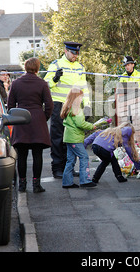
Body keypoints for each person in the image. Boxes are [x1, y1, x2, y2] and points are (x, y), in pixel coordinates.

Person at [44, 41, 91, 178]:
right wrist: (54, 78)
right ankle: (57, 168)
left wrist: (87, 105)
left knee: (71, 137)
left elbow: (84, 88)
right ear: (65, 51)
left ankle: (68, 168)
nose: (75, 56)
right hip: (58, 105)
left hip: (74, 106)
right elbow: (46, 85)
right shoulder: (56, 65)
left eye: (77, 53)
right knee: (58, 137)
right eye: (73, 53)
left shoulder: (80, 67)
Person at [8, 57, 54, 193]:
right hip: (37, 121)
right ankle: (36, 184)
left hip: (21, 121)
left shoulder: (16, 83)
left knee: (21, 155)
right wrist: (43, 117)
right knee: (37, 154)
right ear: (38, 68)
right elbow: (49, 105)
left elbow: (10, 105)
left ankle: (22, 184)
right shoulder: (42, 84)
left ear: (25, 67)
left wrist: (15, 118)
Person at [60, 87, 97, 188]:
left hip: (69, 138)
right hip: (75, 139)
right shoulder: (77, 109)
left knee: (70, 160)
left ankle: (67, 182)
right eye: (81, 97)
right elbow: (80, 123)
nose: (81, 99)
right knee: (84, 157)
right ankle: (85, 180)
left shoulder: (68, 107)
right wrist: (92, 126)